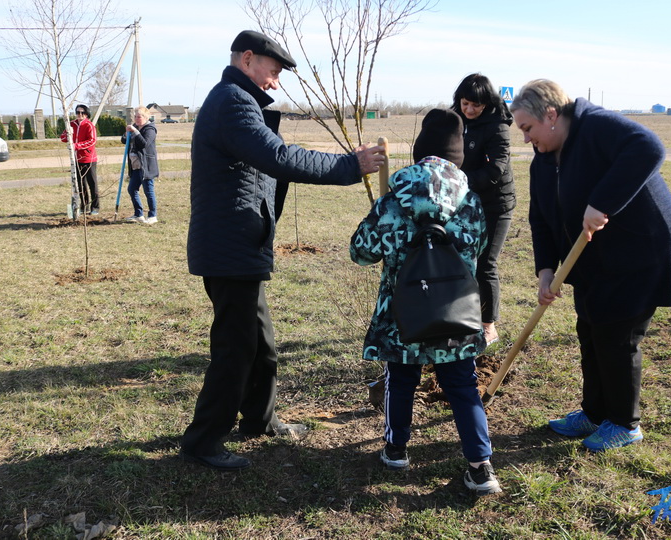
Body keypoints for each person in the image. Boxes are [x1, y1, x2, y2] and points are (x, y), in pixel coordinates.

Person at [181, 30, 385, 471]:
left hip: (239, 244)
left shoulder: (236, 100)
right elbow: (279, 157)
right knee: (236, 349)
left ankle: (259, 419)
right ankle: (202, 441)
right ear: (248, 59)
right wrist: (350, 166)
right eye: (272, 72)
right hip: (229, 246)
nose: (275, 82)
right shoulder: (232, 103)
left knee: (261, 345)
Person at [509, 79, 671, 451]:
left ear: (551, 115)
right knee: (589, 329)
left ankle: (625, 423)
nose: (525, 139)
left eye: (527, 128)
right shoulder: (543, 160)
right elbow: (540, 218)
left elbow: (649, 147)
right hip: (594, 254)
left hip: (638, 251)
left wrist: (603, 201)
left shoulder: (597, 127)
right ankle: (594, 412)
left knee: (617, 335)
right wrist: (546, 271)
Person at [350, 108, 502, 496]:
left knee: (400, 380)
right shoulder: (470, 201)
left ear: (419, 153)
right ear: (457, 158)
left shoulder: (393, 200)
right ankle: (480, 468)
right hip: (456, 312)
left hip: (403, 315)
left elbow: (361, 252)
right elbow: (480, 251)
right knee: (463, 387)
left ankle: (396, 450)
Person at [451, 74, 515, 345]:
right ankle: (463, 318)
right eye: (465, 104)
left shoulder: (498, 126)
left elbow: (497, 168)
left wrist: (460, 181)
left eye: (475, 105)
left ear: (487, 103)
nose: (469, 110)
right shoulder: (455, 120)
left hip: (495, 203)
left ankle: (488, 326)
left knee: (485, 263)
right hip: (463, 201)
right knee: (463, 262)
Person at [121, 106, 159, 224]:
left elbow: (144, 143)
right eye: (136, 116)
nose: (137, 119)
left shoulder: (150, 129)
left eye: (140, 116)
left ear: (146, 117)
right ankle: (138, 214)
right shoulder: (135, 127)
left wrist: (135, 132)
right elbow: (123, 140)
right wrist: (127, 132)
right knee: (132, 189)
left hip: (146, 165)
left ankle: (153, 215)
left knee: (148, 190)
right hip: (135, 165)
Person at [60, 104, 99, 215]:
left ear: (86, 114)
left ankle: (95, 207)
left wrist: (76, 145)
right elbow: (63, 138)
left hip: (89, 158)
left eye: (82, 113)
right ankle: (83, 206)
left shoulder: (89, 125)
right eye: (77, 112)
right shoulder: (71, 124)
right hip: (76, 159)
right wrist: (68, 134)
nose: (80, 115)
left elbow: (92, 141)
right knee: (80, 184)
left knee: (92, 183)